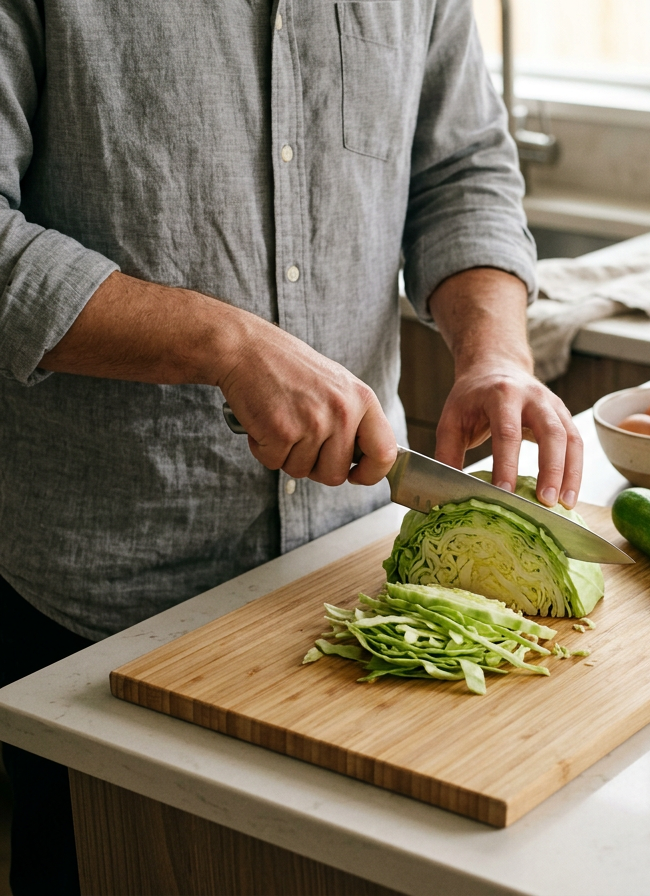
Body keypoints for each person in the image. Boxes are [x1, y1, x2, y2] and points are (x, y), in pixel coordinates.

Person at [0, 2, 581, 893]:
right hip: (105, 608)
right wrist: (224, 345)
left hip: (350, 584)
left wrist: (494, 351)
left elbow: (462, 170)